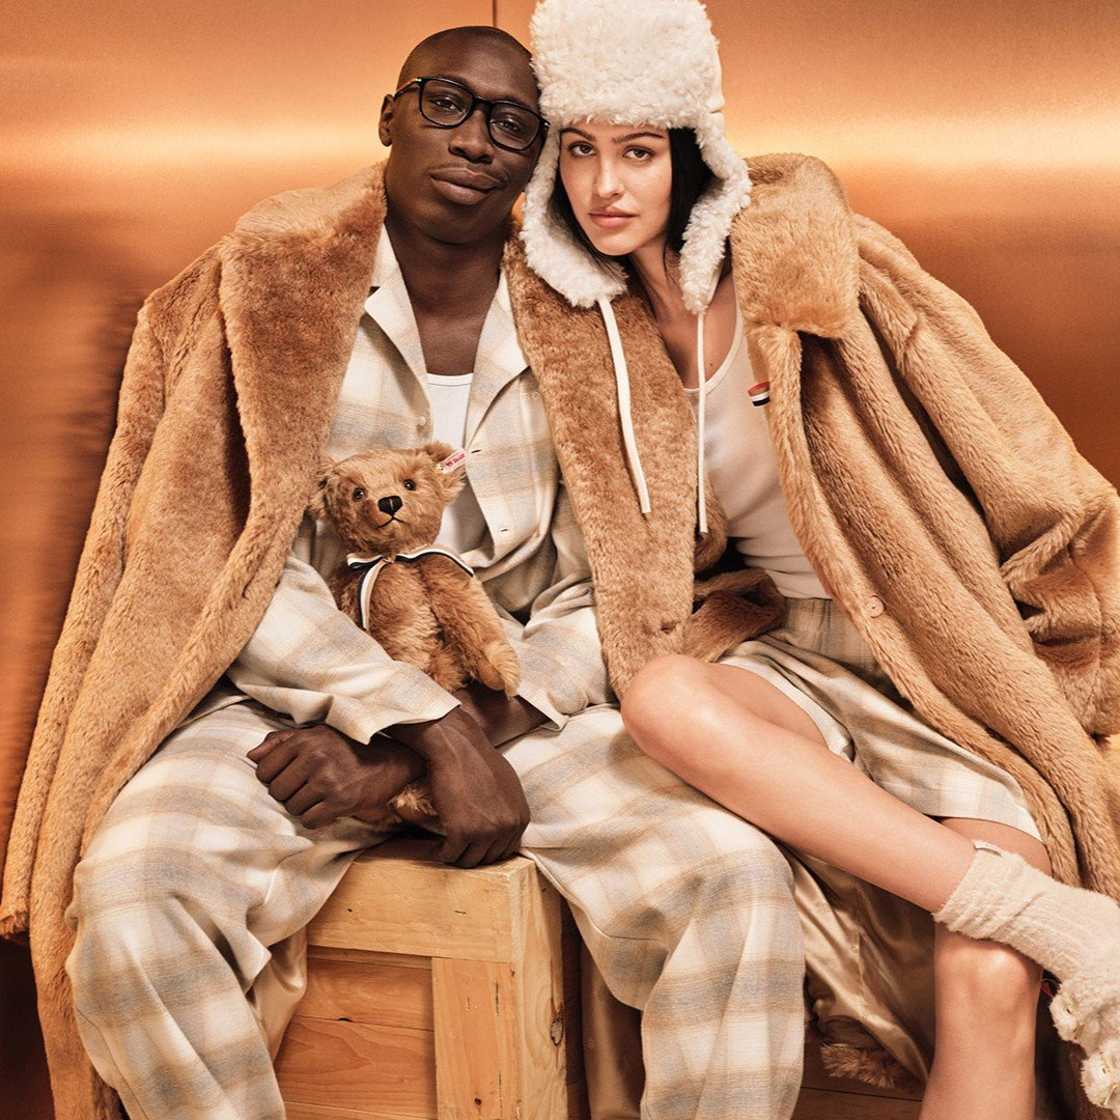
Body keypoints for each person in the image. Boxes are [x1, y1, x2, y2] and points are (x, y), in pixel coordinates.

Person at [8, 20, 857, 1120]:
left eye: (513, 123)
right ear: (390, 116)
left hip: (522, 708)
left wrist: (460, 734)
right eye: (446, 103)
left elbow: (612, 584)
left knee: (729, 876)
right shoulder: (265, 292)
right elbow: (225, 562)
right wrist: (413, 725)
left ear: (536, 156)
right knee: (132, 898)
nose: (474, 140)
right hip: (285, 713)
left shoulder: (592, 322)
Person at [513, 0, 1120, 1117]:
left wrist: (1072, 681)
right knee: (661, 697)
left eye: (638, 151)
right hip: (784, 655)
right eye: (580, 150)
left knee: (986, 971)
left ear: (690, 150)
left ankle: (1038, 927)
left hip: (938, 662)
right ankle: (1068, 925)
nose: (605, 186)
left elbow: (1042, 478)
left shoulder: (822, 270)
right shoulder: (583, 327)